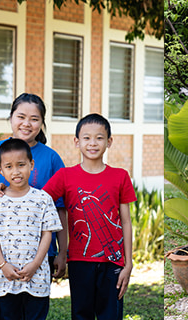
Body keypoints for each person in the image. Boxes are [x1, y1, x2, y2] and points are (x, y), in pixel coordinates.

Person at [42, 114, 137, 320]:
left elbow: (126, 222)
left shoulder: (120, 176)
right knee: (81, 314)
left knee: (110, 315)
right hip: (78, 260)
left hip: (113, 262)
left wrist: (128, 264)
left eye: (99, 138)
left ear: (109, 142)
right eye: (86, 138)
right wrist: (5, 188)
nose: (92, 143)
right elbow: (38, 200)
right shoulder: (64, 176)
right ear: (77, 142)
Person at [0, 93, 67, 281]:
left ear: (42, 123)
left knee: (36, 306)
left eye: (34, 119)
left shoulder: (52, 159)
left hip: (41, 254)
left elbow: (60, 210)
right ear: (11, 118)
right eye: (21, 117)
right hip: (0, 253)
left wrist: (62, 252)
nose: (26, 124)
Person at [0, 138, 64, 320]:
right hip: (6, 277)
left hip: (37, 276)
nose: (16, 171)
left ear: (31, 164)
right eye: (9, 167)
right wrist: (3, 265)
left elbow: (47, 234)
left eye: (21, 165)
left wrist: (35, 264)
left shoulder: (43, 199)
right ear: (0, 170)